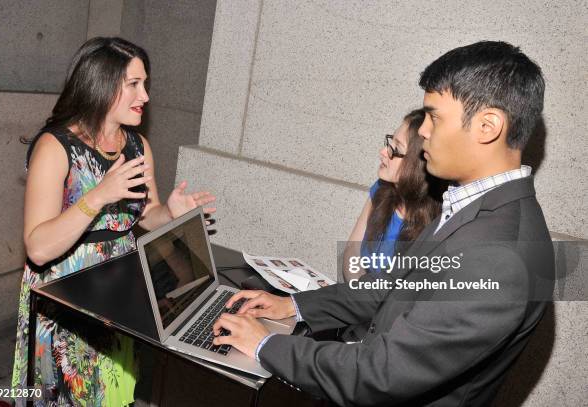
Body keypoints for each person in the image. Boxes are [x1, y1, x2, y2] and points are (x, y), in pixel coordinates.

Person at [212, 41, 554, 406]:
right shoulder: (472, 207)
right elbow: (389, 289)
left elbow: (380, 373)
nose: (422, 130)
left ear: (488, 126)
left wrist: (266, 345)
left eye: (434, 116)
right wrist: (294, 306)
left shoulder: (499, 255)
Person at [11, 37, 215, 406]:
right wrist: (98, 196)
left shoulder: (136, 146)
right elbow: (38, 248)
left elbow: (146, 216)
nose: (146, 96)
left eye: (145, 84)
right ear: (102, 86)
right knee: (68, 394)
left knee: (111, 393)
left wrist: (169, 212)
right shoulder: (55, 147)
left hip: (119, 293)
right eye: (134, 85)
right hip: (66, 295)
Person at [342, 109, 444, 282]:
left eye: (396, 149)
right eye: (390, 142)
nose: (384, 151)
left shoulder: (438, 221)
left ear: (418, 164)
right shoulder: (381, 189)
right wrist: (357, 292)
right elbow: (353, 250)